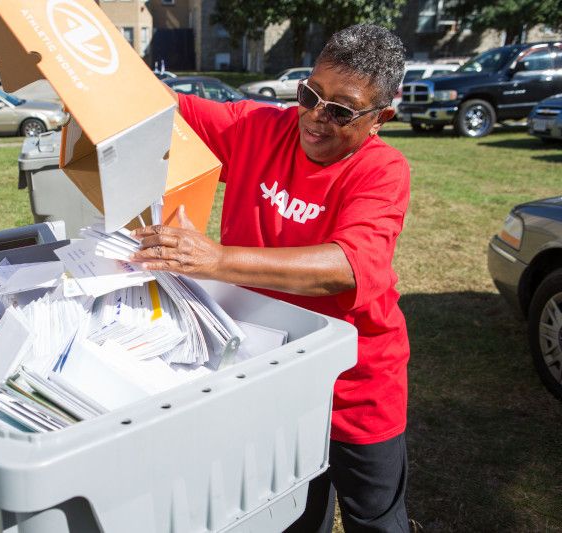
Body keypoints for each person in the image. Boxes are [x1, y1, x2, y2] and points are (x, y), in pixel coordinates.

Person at [132, 24, 410, 532]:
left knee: (376, 520)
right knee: (293, 516)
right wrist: (84, 67)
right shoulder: (258, 127)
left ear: (379, 120)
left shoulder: (382, 170)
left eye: (340, 110)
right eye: (310, 95)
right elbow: (158, 103)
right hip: (270, 377)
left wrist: (216, 260)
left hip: (355, 388)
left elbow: (347, 267)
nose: (315, 118)